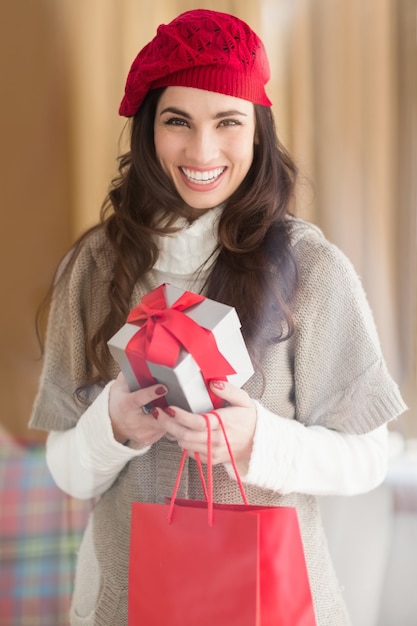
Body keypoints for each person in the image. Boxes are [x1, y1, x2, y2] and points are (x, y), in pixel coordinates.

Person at [29, 9, 406, 626]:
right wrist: (114, 429)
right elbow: (67, 470)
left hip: (272, 606)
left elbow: (367, 458)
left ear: (257, 129)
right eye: (179, 121)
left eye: (227, 122)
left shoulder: (309, 268)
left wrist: (258, 439)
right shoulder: (98, 267)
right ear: (150, 129)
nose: (202, 150)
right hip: (119, 606)